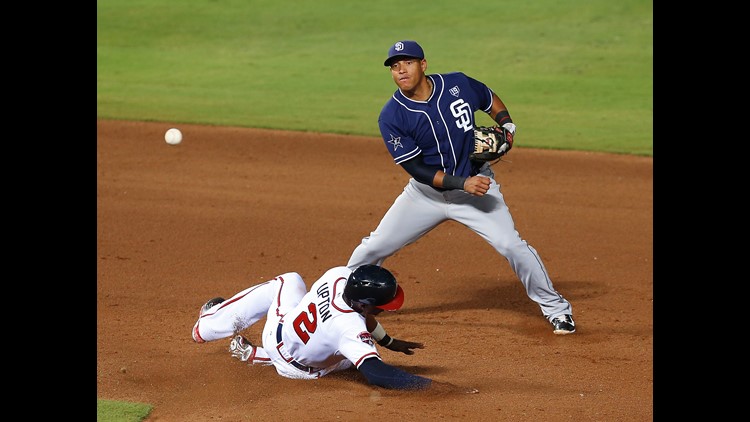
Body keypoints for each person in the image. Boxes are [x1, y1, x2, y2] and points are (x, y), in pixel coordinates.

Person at [346, 40, 575, 335]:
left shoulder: (457, 84)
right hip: (425, 196)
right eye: (394, 66)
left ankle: (557, 310)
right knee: (375, 246)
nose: (400, 70)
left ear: (423, 65)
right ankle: (339, 303)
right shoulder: (392, 115)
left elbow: (487, 97)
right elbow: (417, 169)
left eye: (407, 62)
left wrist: (507, 125)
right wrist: (462, 183)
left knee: (512, 246)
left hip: (478, 191)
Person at [191, 264, 436, 390]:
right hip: (300, 371)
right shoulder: (350, 329)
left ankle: (208, 326)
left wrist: (388, 341)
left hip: (280, 333)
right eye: (381, 306)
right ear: (364, 305)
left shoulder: (339, 276)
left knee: (289, 281)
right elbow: (377, 374)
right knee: (359, 354)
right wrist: (432, 387)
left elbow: (363, 315)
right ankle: (253, 352)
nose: (384, 309)